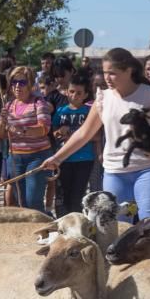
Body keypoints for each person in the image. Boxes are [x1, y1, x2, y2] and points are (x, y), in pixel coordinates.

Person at [42, 48, 150, 220]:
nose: (107, 78)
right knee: (116, 228)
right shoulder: (103, 98)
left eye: (113, 73)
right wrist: (57, 158)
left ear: (129, 71)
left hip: (149, 169)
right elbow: (84, 133)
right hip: (113, 172)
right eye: (104, 73)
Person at [0, 66, 52, 213]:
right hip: (15, 158)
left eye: (22, 82)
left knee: (33, 201)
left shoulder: (38, 103)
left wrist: (22, 130)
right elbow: (0, 134)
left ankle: (42, 228)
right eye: (14, 82)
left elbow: (44, 129)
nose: (17, 86)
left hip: (37, 157)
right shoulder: (8, 105)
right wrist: (2, 120)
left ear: (31, 84)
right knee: (21, 200)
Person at [51, 73, 97, 214]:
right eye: (71, 91)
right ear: (66, 92)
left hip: (84, 159)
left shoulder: (90, 111)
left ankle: (76, 224)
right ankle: (63, 224)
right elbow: (53, 132)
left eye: (79, 93)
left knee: (78, 195)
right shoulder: (60, 111)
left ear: (85, 95)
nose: (74, 95)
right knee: (62, 195)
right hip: (63, 159)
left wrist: (72, 133)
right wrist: (59, 132)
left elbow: (96, 135)